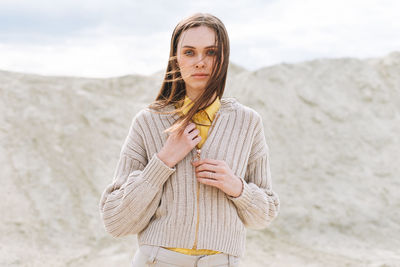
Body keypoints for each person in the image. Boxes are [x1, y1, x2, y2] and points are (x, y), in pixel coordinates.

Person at [99, 13, 280, 267]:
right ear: (176, 59)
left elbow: (265, 214)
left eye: (211, 52)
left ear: (223, 58)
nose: (200, 62)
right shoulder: (147, 122)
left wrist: (236, 186)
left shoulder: (248, 123)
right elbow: (115, 221)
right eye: (189, 52)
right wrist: (163, 161)